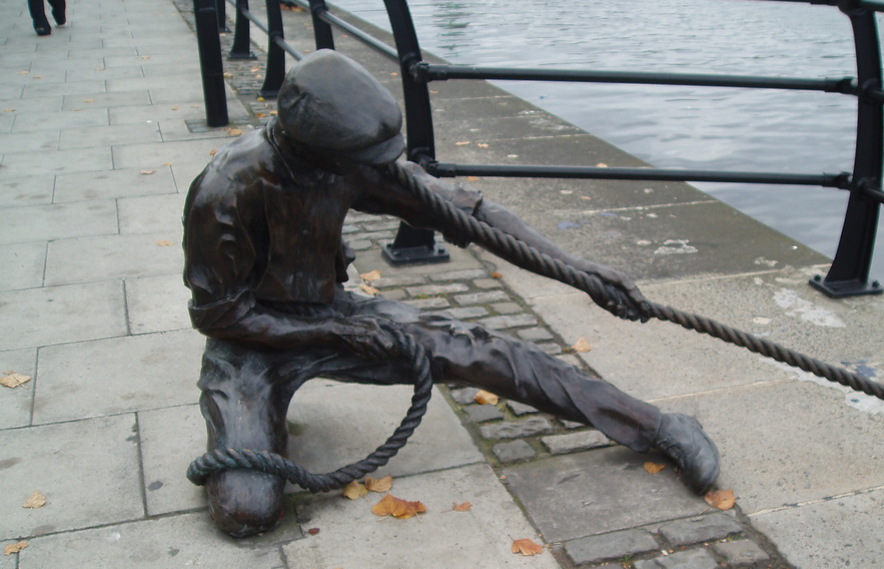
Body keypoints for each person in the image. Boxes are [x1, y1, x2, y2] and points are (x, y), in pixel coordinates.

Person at [183, 49, 720, 537]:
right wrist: (336, 329)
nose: (377, 168)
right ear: (318, 150)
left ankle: (660, 427)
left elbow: (473, 215)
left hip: (332, 316)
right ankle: (257, 424)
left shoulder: (348, 164)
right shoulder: (225, 193)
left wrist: (581, 273)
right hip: (249, 344)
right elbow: (220, 317)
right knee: (247, 511)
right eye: (365, 158)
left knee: (485, 349)